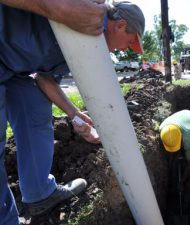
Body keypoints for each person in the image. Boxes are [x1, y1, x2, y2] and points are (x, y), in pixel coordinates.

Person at [0, 1, 145, 224]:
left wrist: (76, 116)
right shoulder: (81, 13)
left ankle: (39, 193)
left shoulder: (87, 44)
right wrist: (60, 9)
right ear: (120, 25)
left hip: (13, 68)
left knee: (35, 103)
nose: (126, 49)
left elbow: (44, 79)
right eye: (130, 41)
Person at [159, 110, 190, 221]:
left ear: (182, 138)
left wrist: (182, 182)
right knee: (179, 154)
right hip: (183, 119)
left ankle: (187, 202)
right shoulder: (163, 129)